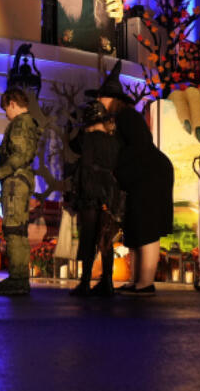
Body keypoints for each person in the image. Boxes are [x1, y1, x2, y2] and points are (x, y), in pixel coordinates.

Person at [93, 63, 172, 295]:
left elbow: (138, 147)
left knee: (147, 227)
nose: (99, 102)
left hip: (150, 176)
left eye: (102, 98)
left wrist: (118, 168)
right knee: (137, 227)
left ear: (111, 98)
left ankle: (145, 282)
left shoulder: (126, 116)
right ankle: (138, 280)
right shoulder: (123, 117)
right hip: (144, 175)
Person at [0, 88, 44, 296]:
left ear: (12, 103)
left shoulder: (20, 124)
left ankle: (17, 279)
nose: (5, 114)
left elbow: (19, 156)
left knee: (13, 230)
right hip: (22, 181)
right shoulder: (29, 123)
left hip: (15, 184)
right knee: (19, 230)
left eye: (5, 109)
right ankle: (20, 278)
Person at [67, 99, 122, 297]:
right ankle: (107, 282)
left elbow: (85, 167)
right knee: (106, 239)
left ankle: (85, 282)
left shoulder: (88, 140)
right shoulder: (114, 142)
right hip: (110, 195)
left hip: (90, 195)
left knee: (88, 238)